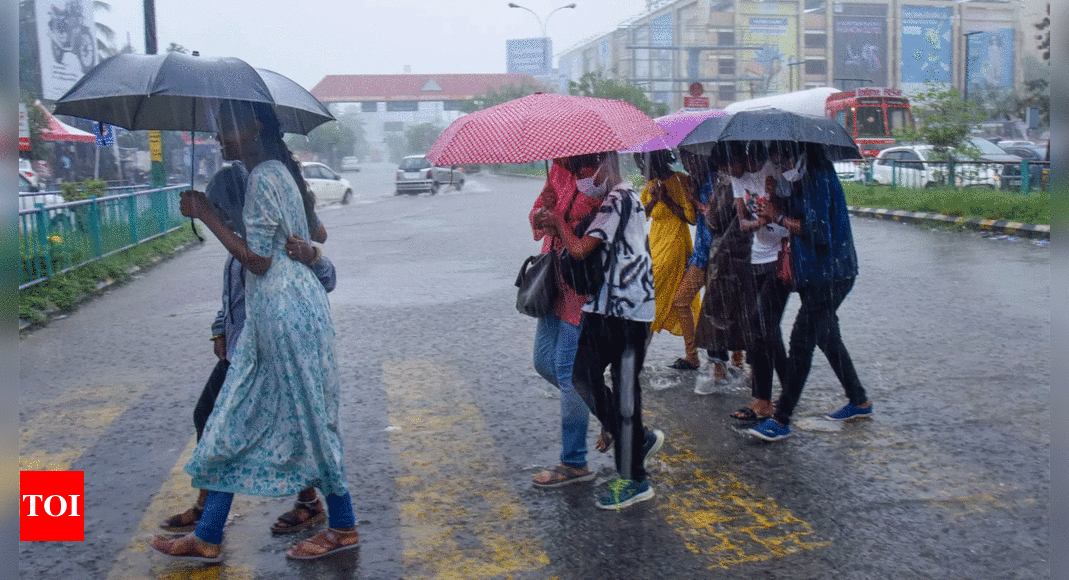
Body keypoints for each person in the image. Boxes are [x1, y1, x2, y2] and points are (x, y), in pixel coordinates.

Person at [151, 100, 357, 562]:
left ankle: (343, 526)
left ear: (255, 126)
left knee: (308, 422)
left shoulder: (264, 176)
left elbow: (259, 261)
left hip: (283, 314)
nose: (219, 133)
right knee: (232, 420)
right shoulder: (277, 174)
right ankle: (207, 534)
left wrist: (207, 214)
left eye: (228, 124)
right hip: (278, 313)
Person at [543, 151, 665, 510]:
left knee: (625, 390)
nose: (581, 176)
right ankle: (636, 438)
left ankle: (634, 479)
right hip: (606, 306)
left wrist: (559, 226)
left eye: (583, 167)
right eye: (575, 169)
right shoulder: (612, 200)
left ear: (604, 165)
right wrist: (555, 221)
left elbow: (581, 250)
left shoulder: (621, 199)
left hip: (629, 310)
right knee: (582, 374)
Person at [748, 146, 873, 441]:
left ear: (797, 153)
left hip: (831, 274)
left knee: (801, 342)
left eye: (782, 158)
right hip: (816, 273)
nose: (779, 164)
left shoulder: (818, 176)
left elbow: (818, 231)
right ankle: (859, 400)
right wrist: (776, 198)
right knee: (828, 337)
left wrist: (778, 216)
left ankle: (781, 419)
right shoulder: (802, 177)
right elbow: (796, 215)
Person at [527, 158, 602, 488]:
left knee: (569, 374)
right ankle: (618, 420)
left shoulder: (598, 177)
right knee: (544, 362)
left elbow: (595, 229)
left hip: (580, 288)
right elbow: (535, 220)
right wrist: (543, 213)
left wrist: (561, 220)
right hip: (552, 283)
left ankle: (574, 461)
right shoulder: (556, 170)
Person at [729, 141, 792, 421]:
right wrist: (758, 223)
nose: (731, 172)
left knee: (760, 322)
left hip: (780, 257)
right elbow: (743, 223)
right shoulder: (735, 178)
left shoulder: (772, 174)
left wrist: (774, 196)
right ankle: (787, 390)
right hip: (757, 257)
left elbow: (785, 213)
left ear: (743, 155)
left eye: (732, 165)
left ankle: (764, 399)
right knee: (766, 329)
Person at [692, 147, 758, 395]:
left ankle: (719, 368)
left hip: (725, 256)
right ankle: (750, 368)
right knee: (749, 313)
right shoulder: (755, 181)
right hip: (750, 256)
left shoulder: (728, 183)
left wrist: (706, 209)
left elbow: (715, 220)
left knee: (716, 314)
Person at [635, 149, 699, 368]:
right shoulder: (650, 185)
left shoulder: (681, 181)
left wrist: (668, 200)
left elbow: (691, 218)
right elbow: (642, 215)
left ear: (656, 162)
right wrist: (653, 200)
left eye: (642, 165)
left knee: (651, 299)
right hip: (654, 246)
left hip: (674, 246)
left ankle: (637, 356)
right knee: (676, 301)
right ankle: (692, 356)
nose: (641, 171)